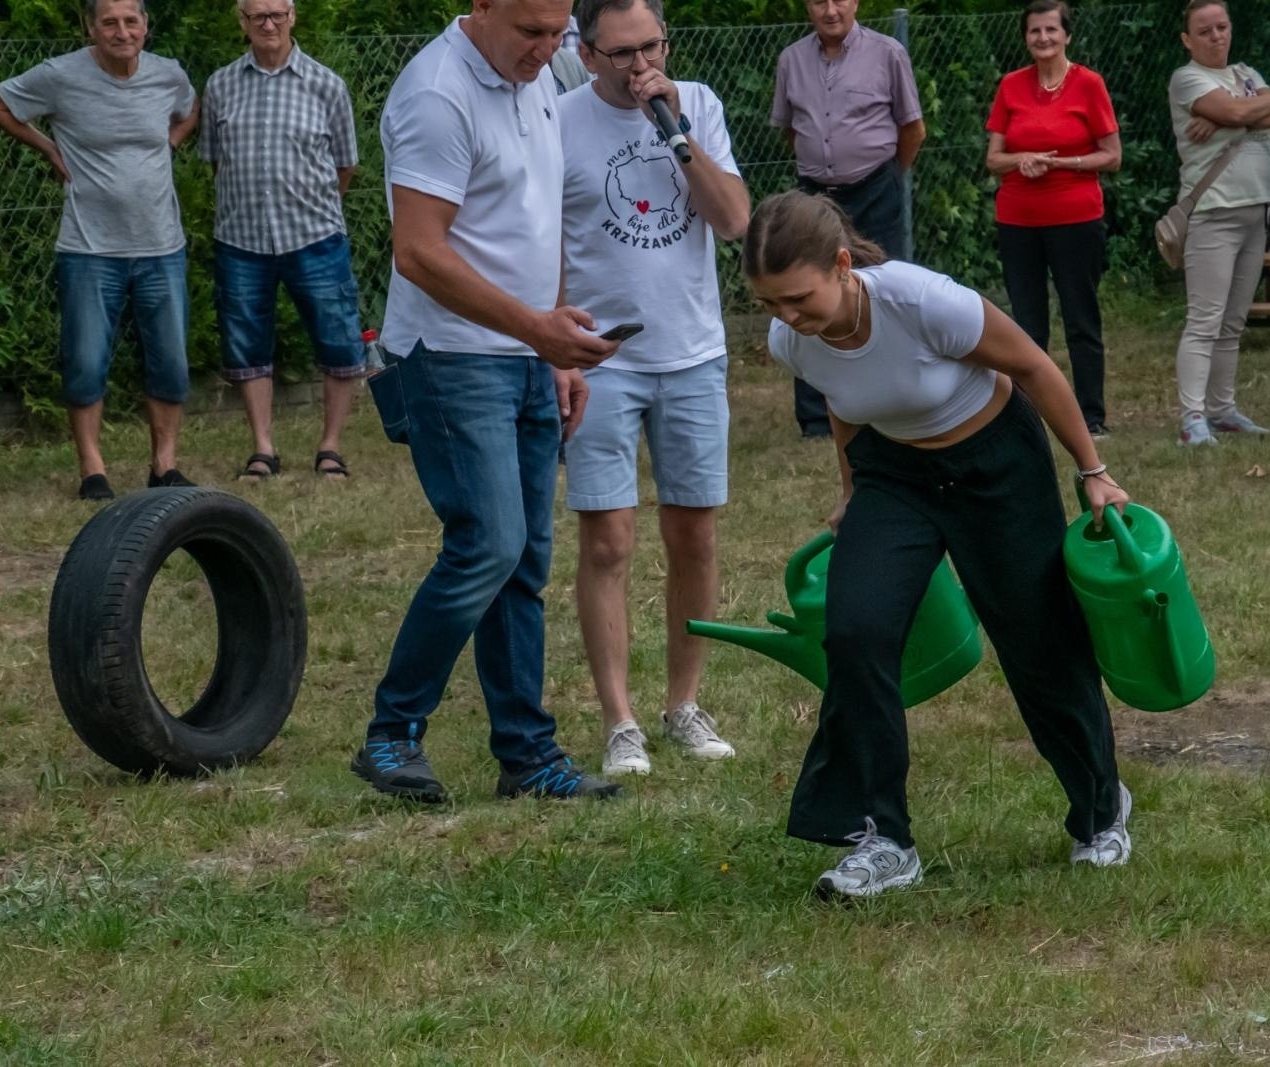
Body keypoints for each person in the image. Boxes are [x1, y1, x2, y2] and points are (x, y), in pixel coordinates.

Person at [743, 190, 1133, 900]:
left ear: (840, 264)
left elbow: (1036, 369)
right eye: (771, 304)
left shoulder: (922, 302)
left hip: (995, 464)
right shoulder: (792, 340)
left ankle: (1102, 812)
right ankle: (883, 838)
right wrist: (851, 488)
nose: (787, 318)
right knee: (854, 629)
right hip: (893, 475)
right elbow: (846, 400)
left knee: (1039, 642)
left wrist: (1093, 471)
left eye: (798, 298)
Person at [351, 0, 623, 804]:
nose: (550, 51)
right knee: (489, 543)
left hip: (528, 355)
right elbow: (419, 251)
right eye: (531, 33)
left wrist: (558, 342)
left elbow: (538, 224)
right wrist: (538, 330)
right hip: (452, 357)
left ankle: (528, 757)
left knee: (523, 561)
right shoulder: (437, 94)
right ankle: (390, 732)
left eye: (559, 31)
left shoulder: (532, 71)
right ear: (480, 8)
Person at [558, 0, 750, 776]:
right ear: (583, 51)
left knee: (694, 535)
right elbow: (544, 241)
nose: (640, 68)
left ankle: (683, 704)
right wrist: (557, 350)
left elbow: (735, 219)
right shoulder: (557, 118)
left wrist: (676, 134)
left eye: (652, 48)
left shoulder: (694, 104)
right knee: (608, 539)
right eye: (620, 54)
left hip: (692, 353)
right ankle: (620, 721)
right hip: (602, 358)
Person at [0, 0, 198, 500]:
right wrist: (49, 148)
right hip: (88, 247)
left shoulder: (168, 74)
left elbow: (191, 108)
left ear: (146, 25)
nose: (122, 31)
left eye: (131, 21)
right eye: (110, 22)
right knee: (85, 359)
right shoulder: (60, 76)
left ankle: (164, 466)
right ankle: (92, 470)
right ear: (91, 28)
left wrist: (172, 143)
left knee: (170, 360)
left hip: (162, 245)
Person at [200, 0, 365, 483]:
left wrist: (311, 205)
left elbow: (345, 165)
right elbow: (216, 161)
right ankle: (263, 449)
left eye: (276, 14)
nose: (267, 24)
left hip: (315, 237)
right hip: (241, 238)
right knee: (247, 345)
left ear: (293, 16)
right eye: (257, 16)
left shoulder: (326, 84)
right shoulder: (220, 85)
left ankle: (330, 447)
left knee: (338, 340)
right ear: (242, 22)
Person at [770, 0, 924, 439]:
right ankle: (817, 419)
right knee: (804, 294)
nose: (830, 9)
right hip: (814, 195)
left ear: (855, 2)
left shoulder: (888, 53)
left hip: (875, 190)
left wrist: (889, 177)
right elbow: (789, 129)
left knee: (881, 292)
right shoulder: (790, 60)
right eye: (819, 0)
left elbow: (912, 129)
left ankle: (891, 402)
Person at [985, 0, 1121, 438]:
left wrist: (1065, 164)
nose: (1043, 39)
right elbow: (994, 158)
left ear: (1067, 35)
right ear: (1025, 37)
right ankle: (1026, 412)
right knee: (1026, 321)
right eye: (1034, 32)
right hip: (1018, 220)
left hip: (1076, 217)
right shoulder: (1011, 86)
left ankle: (1091, 415)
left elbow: (1112, 155)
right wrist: (1020, 159)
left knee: (1080, 317)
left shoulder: (1089, 84)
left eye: (1051, 30)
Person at [1167, 0, 1270, 447]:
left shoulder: (1246, 73)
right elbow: (1249, 113)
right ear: (1187, 39)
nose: (1216, 36)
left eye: (1222, 27)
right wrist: (1252, 107)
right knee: (1205, 319)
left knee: (1232, 322)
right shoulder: (1188, 78)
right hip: (1213, 212)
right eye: (1204, 31)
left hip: (1256, 208)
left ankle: (1222, 411)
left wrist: (1250, 108)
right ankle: (1192, 418)